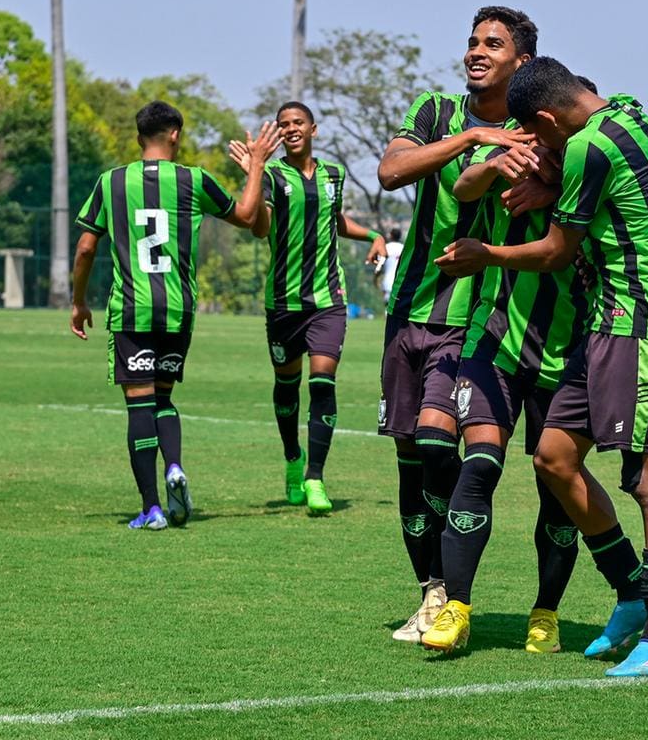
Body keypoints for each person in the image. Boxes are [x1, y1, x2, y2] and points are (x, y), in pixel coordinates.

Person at [436, 57, 648, 678]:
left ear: (550, 118)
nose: (540, 150)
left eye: (539, 137)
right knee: (553, 458)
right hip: (606, 325)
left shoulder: (585, 150)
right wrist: (551, 187)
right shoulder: (631, 109)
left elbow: (555, 252)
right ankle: (631, 591)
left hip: (646, 322)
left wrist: (485, 252)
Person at [375, 6, 537, 643]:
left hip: (472, 318)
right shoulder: (437, 112)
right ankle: (432, 593)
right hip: (407, 310)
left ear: (519, 62)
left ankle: (454, 598)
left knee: (444, 448)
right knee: (410, 459)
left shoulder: (533, 128)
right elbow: (391, 173)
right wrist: (472, 140)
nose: (476, 51)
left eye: (492, 44)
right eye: (472, 41)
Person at [420, 98, 589, 655]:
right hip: (492, 340)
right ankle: (456, 609)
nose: (543, 137)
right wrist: (492, 163)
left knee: (557, 488)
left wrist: (557, 188)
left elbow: (563, 254)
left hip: (566, 353)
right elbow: (463, 188)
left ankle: (546, 613)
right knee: (481, 463)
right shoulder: (512, 148)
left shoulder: (593, 173)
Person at [70, 101, 279, 529]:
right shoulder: (194, 180)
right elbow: (246, 216)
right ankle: (175, 467)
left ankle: (150, 508)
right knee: (163, 398)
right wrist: (256, 165)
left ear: (138, 136)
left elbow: (87, 247)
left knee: (138, 405)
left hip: (132, 309)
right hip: (178, 308)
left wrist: (78, 301)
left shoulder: (111, 182)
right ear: (175, 135)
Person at [229, 101, 386, 513]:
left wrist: (373, 234)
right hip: (282, 302)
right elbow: (259, 227)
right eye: (284, 124)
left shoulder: (334, 175)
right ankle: (292, 458)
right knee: (286, 387)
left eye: (298, 122)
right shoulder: (272, 176)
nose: (291, 128)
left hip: (328, 301)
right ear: (278, 134)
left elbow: (335, 221)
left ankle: (315, 477)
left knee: (322, 382)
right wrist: (254, 172)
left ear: (313, 129)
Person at [378, 229, 403, 304]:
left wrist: (376, 277)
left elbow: (379, 264)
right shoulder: (403, 248)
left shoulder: (385, 247)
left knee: (387, 307)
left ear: (391, 236)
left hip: (387, 281)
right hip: (400, 282)